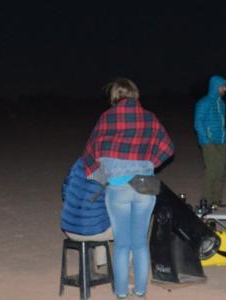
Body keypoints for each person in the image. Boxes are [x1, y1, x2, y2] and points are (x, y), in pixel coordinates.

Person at [82, 78, 174, 299]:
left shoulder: (106, 118)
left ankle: (122, 294)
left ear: (114, 96)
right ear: (135, 95)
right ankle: (140, 293)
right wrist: (150, 162)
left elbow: (89, 154)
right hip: (144, 186)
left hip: (118, 187)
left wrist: (103, 176)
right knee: (140, 243)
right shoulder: (149, 117)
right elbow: (168, 147)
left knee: (122, 244)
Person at [59, 158, 112, 274]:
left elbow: (64, 191)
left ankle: (98, 265)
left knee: (96, 215)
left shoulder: (80, 163)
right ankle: (125, 274)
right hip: (93, 231)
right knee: (132, 231)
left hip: (69, 228)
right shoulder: (111, 167)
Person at [194, 75, 226, 208]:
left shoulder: (221, 103)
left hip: (221, 141)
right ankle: (205, 200)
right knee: (212, 170)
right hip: (208, 141)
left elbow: (222, 122)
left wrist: (225, 135)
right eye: (223, 86)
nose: (225, 89)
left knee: (220, 171)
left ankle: (216, 200)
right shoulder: (204, 102)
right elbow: (198, 123)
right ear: (216, 87)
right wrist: (206, 139)